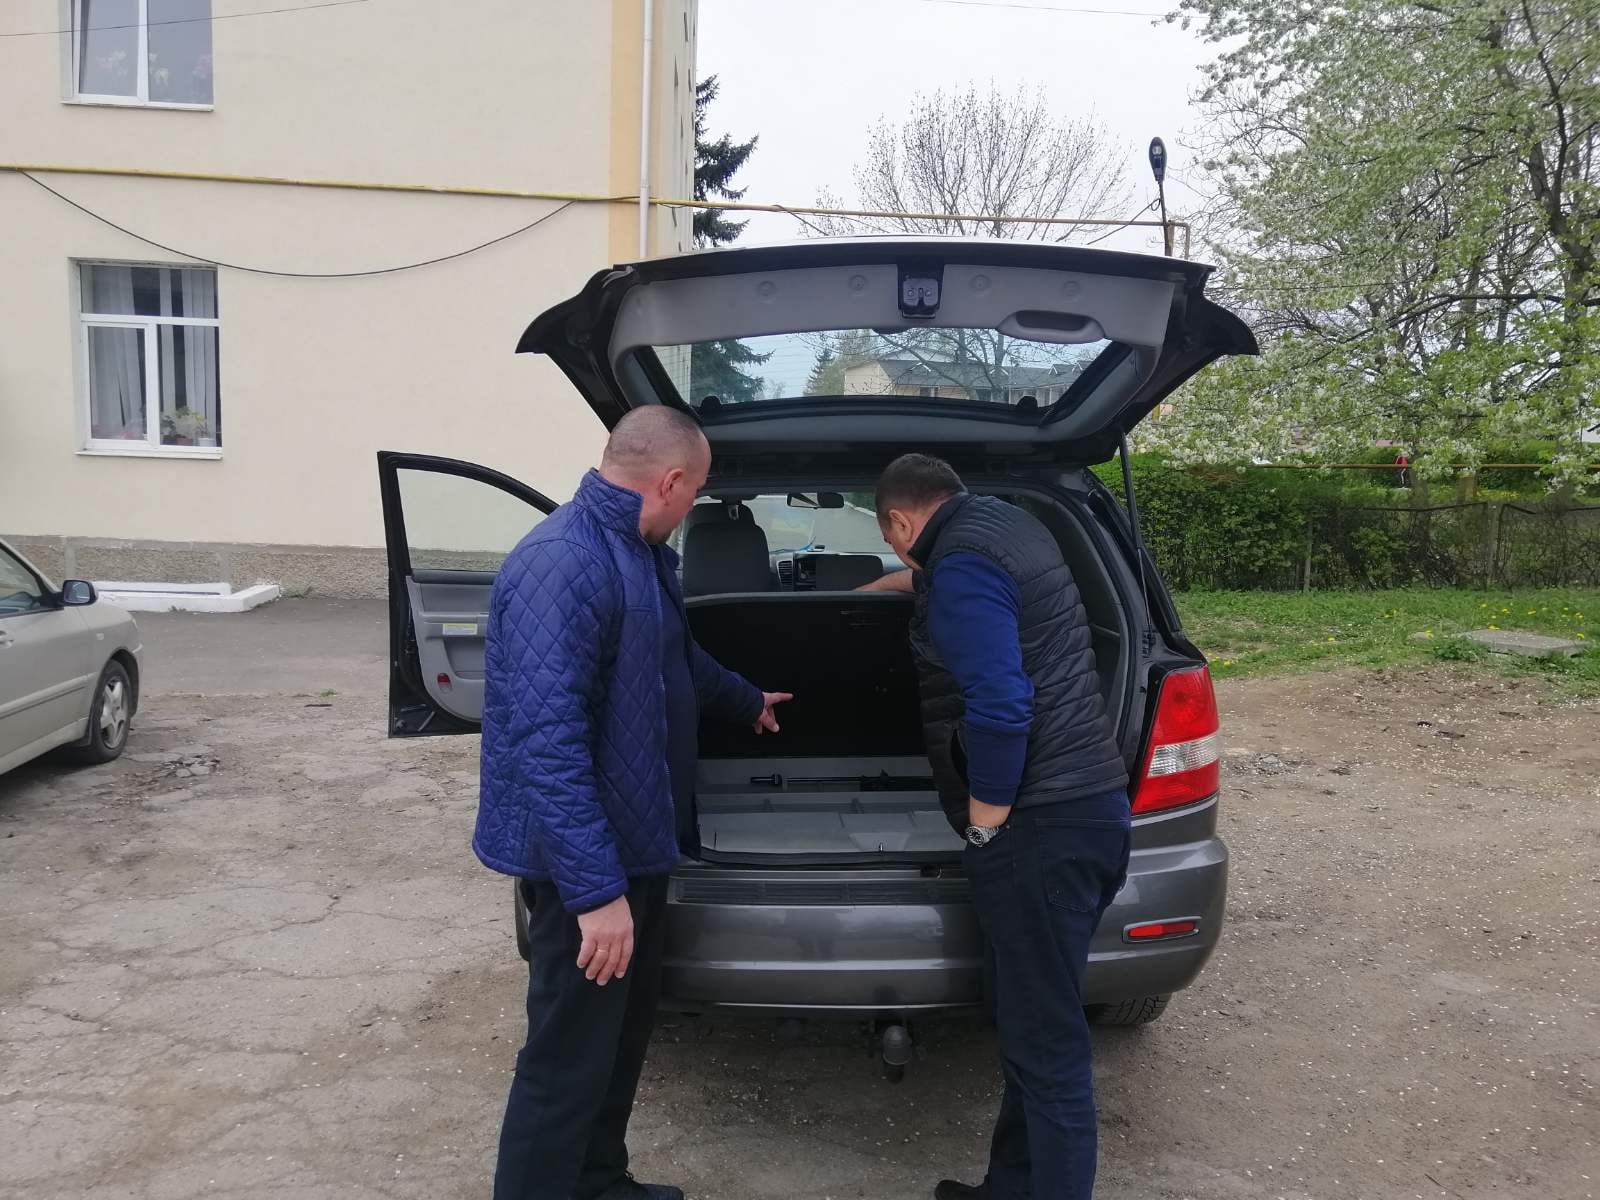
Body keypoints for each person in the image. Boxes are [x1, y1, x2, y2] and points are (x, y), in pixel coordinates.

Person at [476, 405, 792, 1200]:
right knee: (564, 1058)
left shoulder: (634, 552)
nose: (695, 506)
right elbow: (546, 740)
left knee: (615, 1042)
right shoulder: (564, 562)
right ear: (672, 481)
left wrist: (746, 698)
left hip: (636, 840)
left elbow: (673, 657)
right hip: (586, 864)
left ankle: (598, 1181)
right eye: (699, 491)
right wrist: (594, 894)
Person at [863, 453, 1131, 1200]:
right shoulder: (1008, 528)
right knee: (1031, 1023)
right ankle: (1008, 1189)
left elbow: (1002, 703)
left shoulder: (961, 566)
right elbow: (941, 584)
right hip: (1089, 810)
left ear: (900, 521)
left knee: (1048, 1049)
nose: (902, 557)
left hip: (1040, 828)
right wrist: (867, 592)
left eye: (892, 543)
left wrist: (985, 822)